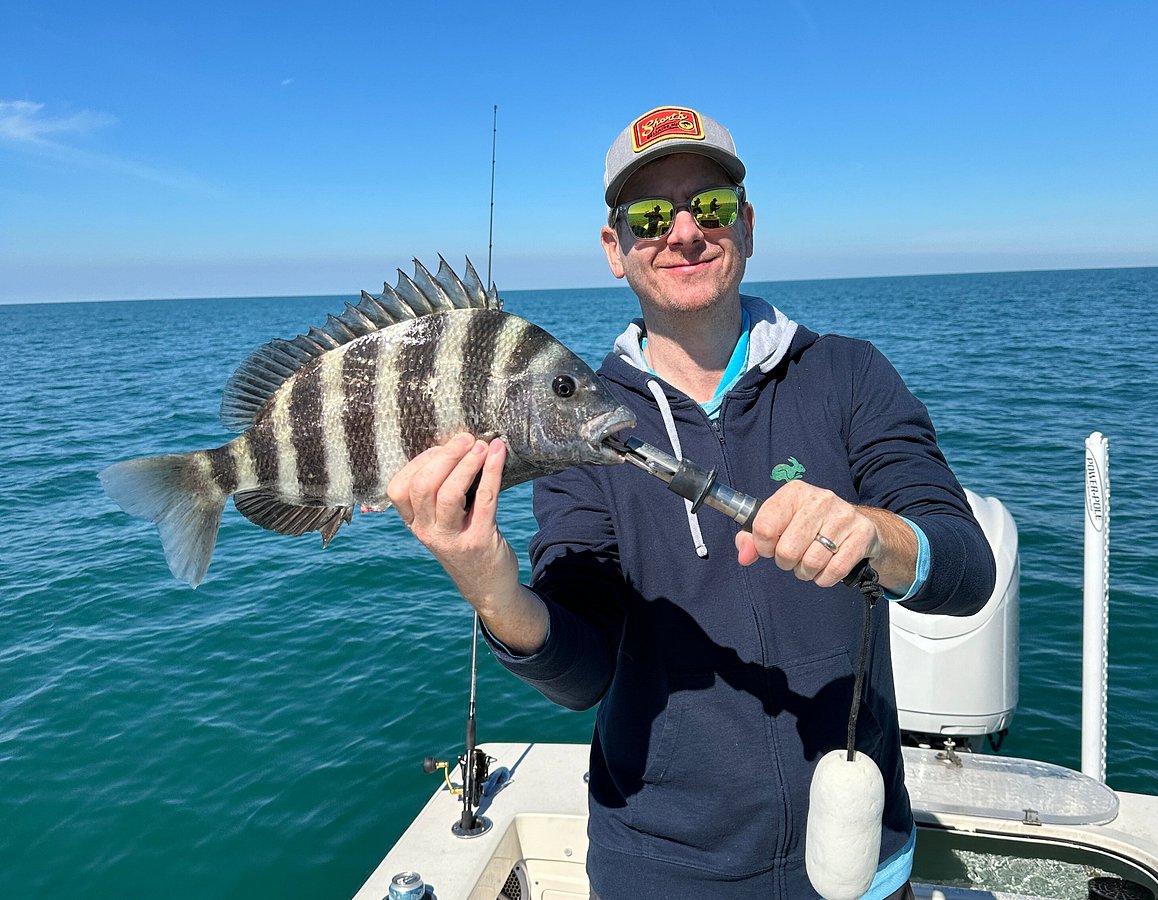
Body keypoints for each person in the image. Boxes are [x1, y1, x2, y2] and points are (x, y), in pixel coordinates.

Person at [388, 104, 996, 900]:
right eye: (648, 216)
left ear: (745, 225)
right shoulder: (578, 425)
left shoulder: (848, 375)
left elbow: (965, 565)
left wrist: (873, 534)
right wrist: (488, 582)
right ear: (615, 249)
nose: (682, 232)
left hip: (856, 854)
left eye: (708, 206)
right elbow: (581, 672)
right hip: (658, 869)